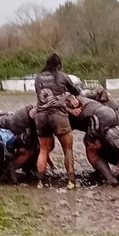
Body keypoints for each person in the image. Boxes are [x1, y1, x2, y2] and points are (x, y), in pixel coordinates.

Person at [34, 53, 81, 189]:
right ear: (58, 64)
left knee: (43, 150)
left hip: (41, 116)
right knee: (67, 149)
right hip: (58, 115)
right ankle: (71, 181)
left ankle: (40, 182)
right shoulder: (62, 76)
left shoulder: (38, 78)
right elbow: (75, 91)